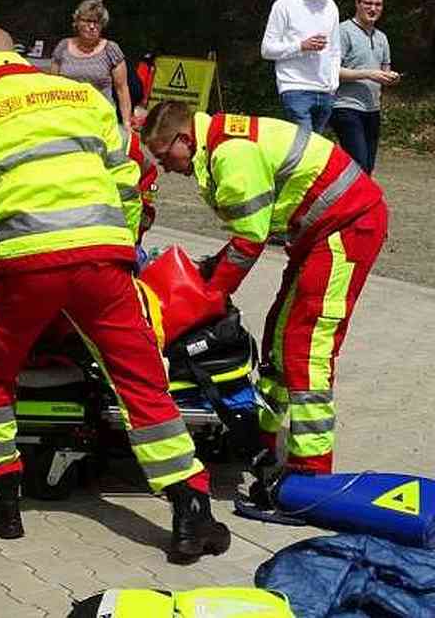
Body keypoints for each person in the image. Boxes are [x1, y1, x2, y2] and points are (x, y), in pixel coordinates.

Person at [0, 27, 229, 563]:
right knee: (142, 379)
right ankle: (191, 508)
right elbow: (131, 177)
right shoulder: (81, 95)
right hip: (102, 258)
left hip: (23, 262)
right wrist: (120, 240)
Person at [140, 100, 388, 477]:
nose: (164, 168)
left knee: (307, 345)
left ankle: (311, 469)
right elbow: (249, 233)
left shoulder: (231, 154)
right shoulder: (223, 140)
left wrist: (211, 294)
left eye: (163, 155)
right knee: (278, 337)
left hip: (347, 229)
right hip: (321, 232)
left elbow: (248, 242)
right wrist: (212, 271)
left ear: (184, 138)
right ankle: (261, 437)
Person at [260, 0, 341, 132]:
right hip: (295, 88)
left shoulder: (330, 6)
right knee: (303, 148)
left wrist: (333, 85)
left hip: (325, 91)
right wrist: (300, 46)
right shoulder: (286, 3)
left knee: (315, 151)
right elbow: (266, 50)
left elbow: (335, 50)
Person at [331, 0, 400, 174]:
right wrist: (369, 73)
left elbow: (385, 72)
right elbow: (332, 72)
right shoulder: (342, 31)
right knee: (358, 164)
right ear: (357, 4)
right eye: (368, 3)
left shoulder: (382, 38)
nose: (373, 9)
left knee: (367, 167)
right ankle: (349, 202)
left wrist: (391, 78)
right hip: (345, 107)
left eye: (378, 4)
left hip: (372, 109)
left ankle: (355, 203)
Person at [50, 0, 132, 126]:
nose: (92, 26)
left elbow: (122, 89)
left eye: (97, 22)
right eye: (87, 21)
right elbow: (52, 86)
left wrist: (127, 123)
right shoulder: (63, 47)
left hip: (100, 119)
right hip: (67, 118)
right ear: (76, 22)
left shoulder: (111, 49)